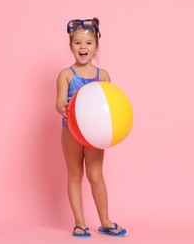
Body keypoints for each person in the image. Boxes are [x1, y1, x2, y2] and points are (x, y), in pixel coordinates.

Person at [55, 18, 127, 238]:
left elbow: (110, 105)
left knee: (96, 175)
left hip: (95, 135)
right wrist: (63, 107)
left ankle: (104, 220)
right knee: (75, 175)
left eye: (88, 43)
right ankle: (80, 222)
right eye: (77, 43)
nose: (83, 47)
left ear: (96, 46)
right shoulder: (66, 75)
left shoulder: (102, 75)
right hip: (71, 131)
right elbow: (58, 102)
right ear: (71, 46)